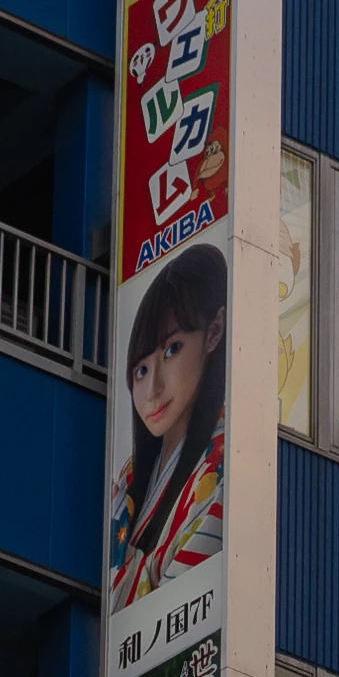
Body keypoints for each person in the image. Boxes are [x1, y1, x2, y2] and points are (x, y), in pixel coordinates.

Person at [106, 244, 228, 605]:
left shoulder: (221, 471)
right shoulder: (130, 477)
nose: (153, 389)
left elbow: (176, 601)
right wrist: (148, 570)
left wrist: (132, 571)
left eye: (173, 349)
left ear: (213, 332)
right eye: (141, 370)